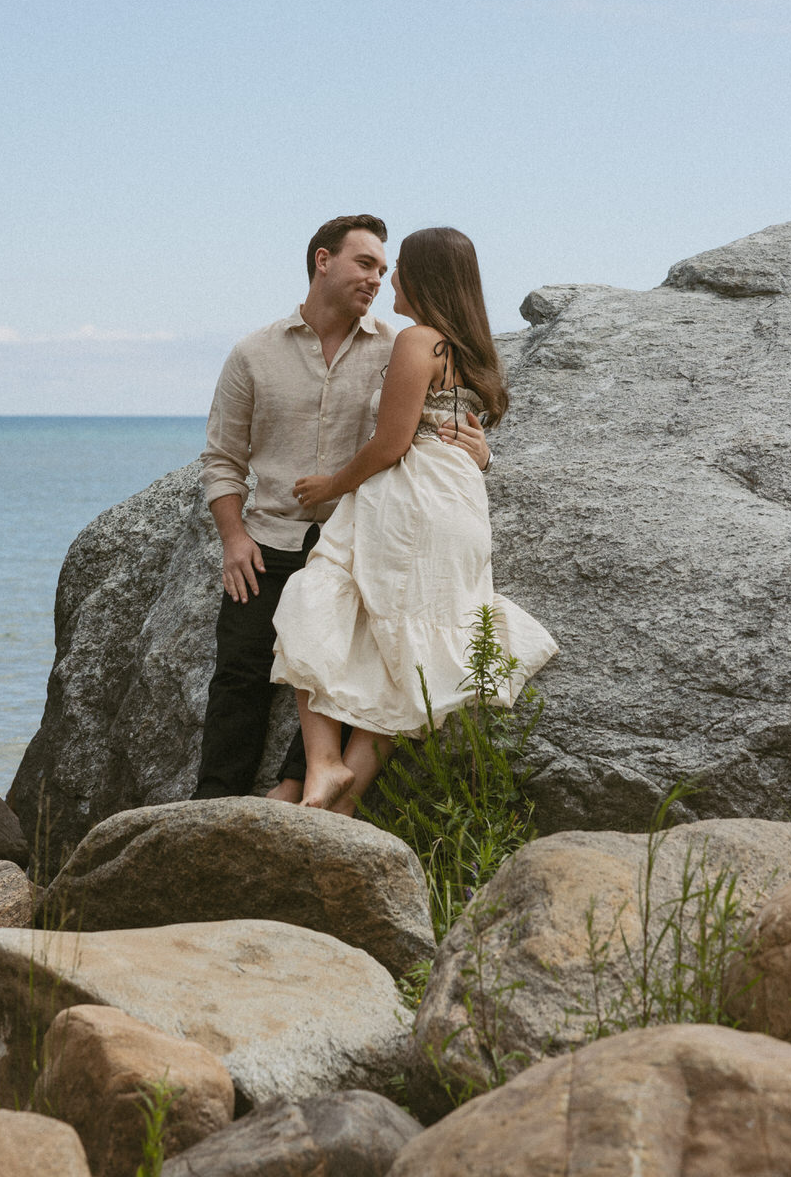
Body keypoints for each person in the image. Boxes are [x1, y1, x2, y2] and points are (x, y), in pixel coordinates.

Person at [193, 215, 491, 802]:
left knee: (351, 664)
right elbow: (222, 459)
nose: (378, 279)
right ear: (322, 261)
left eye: (384, 269)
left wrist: (480, 452)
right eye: (366, 264)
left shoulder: (400, 341)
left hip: (362, 535)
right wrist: (233, 537)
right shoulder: (253, 353)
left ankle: (300, 787)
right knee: (239, 676)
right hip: (270, 537)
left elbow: (425, 427)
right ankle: (212, 809)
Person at [270, 226, 558, 812]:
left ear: (423, 277)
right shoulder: (471, 350)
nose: (389, 277)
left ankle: (323, 763)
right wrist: (485, 454)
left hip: (411, 498)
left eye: (398, 266)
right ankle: (345, 796)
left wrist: (331, 485)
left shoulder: (417, 339)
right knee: (402, 650)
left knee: (314, 592)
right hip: (459, 504)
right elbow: (463, 435)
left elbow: (392, 442)